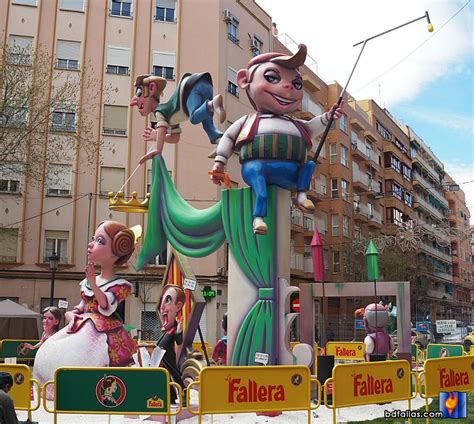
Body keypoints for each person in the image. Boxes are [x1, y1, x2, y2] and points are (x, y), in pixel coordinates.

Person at [211, 44, 343, 235]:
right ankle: (258, 218)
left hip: (292, 173)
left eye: (296, 84)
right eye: (272, 77)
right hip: (257, 168)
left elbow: (315, 125)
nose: (288, 86)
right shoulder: (248, 121)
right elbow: (229, 137)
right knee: (261, 190)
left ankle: (301, 195)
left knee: (309, 166)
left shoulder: (296, 124)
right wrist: (220, 162)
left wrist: (329, 116)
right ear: (244, 80)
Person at [33, 221, 139, 393]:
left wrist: (93, 284)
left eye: (100, 241)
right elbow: (82, 306)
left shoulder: (121, 285)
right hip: (81, 325)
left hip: (102, 332)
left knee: (92, 358)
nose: (91, 244)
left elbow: (107, 305)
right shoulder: (87, 282)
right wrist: (70, 314)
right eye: (93, 239)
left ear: (116, 251)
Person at [130, 73, 226, 164]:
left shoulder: (159, 111)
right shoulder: (172, 117)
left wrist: (158, 150)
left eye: (139, 92)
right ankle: (220, 141)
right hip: (206, 84)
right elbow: (175, 138)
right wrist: (158, 136)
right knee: (207, 123)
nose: (133, 101)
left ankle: (212, 104)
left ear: (151, 88)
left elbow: (162, 128)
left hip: (190, 88)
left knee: (194, 117)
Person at [156, 285, 186, 404]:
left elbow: (179, 341)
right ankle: (171, 395)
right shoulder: (165, 330)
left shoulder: (174, 328)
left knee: (175, 374)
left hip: (169, 357)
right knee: (166, 376)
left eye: (167, 301)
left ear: (178, 306)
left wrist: (179, 332)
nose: (162, 307)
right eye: (162, 301)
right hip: (162, 357)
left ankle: (184, 394)